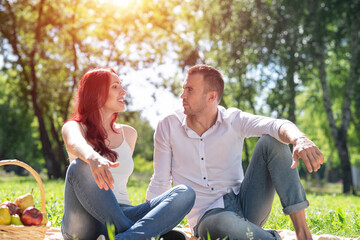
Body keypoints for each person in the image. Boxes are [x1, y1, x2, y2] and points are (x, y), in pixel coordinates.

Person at [146, 64, 324, 240]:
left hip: (246, 204)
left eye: (190, 90)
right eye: (184, 88)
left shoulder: (233, 120)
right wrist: (146, 225)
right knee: (223, 223)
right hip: (208, 218)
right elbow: (160, 181)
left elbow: (275, 124)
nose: (182, 95)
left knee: (272, 141)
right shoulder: (168, 126)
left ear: (211, 97)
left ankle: (303, 233)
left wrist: (299, 139)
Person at [61, 67, 195, 240]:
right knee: (81, 165)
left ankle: (126, 236)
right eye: (115, 86)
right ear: (96, 93)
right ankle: (138, 234)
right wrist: (93, 158)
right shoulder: (74, 127)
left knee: (185, 192)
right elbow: (74, 144)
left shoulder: (129, 134)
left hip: (123, 211)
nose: (123, 91)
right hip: (83, 222)